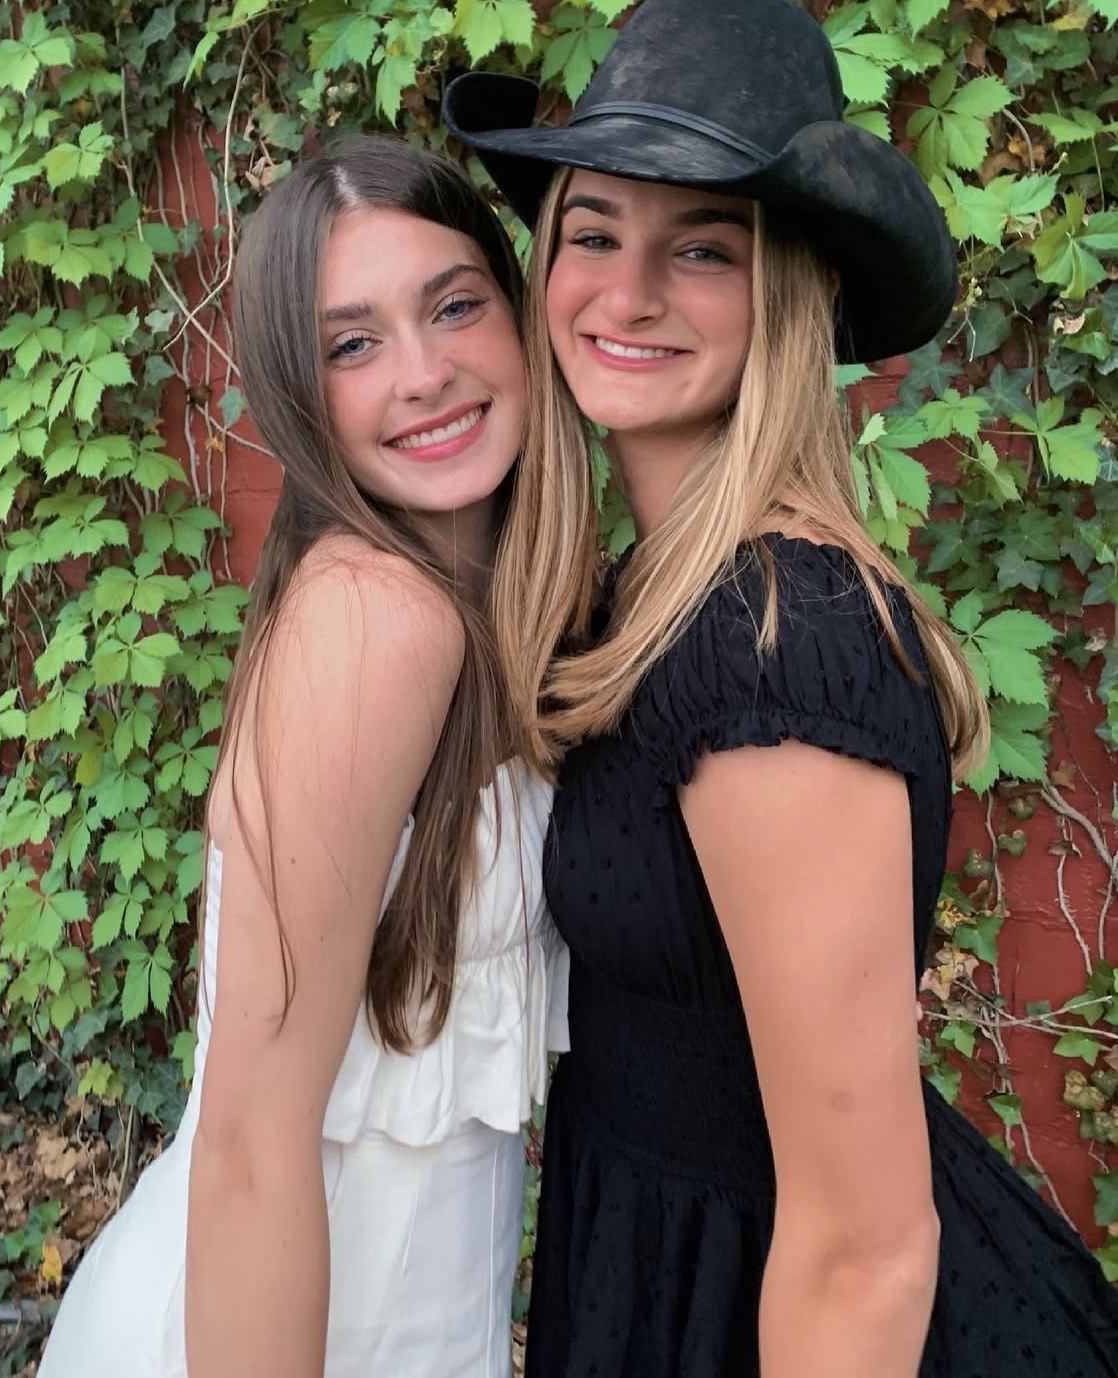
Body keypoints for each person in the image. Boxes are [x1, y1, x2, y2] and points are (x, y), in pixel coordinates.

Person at [444, 2, 1118, 1375]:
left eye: (703, 248)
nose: (628, 292)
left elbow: (865, 1250)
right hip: (663, 1265)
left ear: (787, 295)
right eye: (594, 232)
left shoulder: (777, 643)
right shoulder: (659, 593)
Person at [38, 137, 566, 1378]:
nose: (424, 374)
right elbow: (251, 1144)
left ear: (516, 311)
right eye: (352, 345)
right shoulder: (378, 621)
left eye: (453, 306)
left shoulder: (493, 607)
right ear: (296, 391)